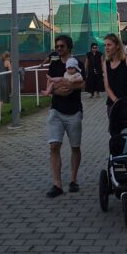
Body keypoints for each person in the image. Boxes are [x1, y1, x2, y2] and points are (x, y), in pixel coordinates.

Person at [46, 35, 85, 197]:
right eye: (57, 46)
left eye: (62, 46)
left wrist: (69, 86)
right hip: (56, 110)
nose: (59, 49)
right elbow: (49, 86)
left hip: (74, 110)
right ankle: (57, 184)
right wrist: (57, 91)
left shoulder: (78, 64)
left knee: (75, 146)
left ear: (69, 47)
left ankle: (73, 180)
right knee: (54, 146)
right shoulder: (54, 65)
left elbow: (83, 84)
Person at [0, 51, 12, 119]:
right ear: (7, 57)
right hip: (3, 81)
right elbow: (11, 71)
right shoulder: (7, 62)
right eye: (9, 57)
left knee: (0, 98)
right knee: (2, 99)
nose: (10, 58)